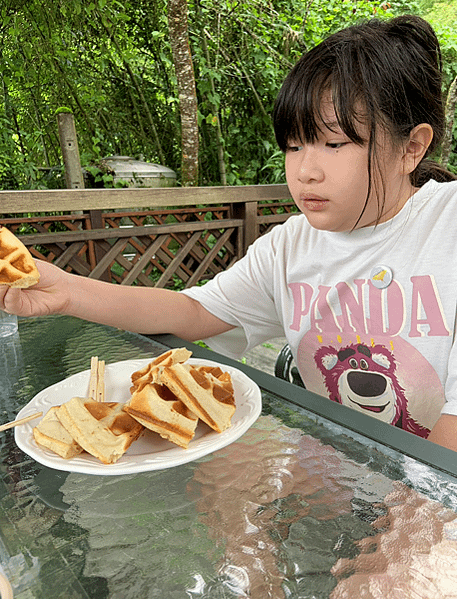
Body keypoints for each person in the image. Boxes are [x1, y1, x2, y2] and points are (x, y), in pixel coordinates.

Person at [2, 15, 457, 450]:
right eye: (294, 145)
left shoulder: (447, 226)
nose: (305, 171)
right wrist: (64, 291)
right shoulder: (289, 246)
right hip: (340, 470)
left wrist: (407, 521)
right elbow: (194, 311)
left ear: (410, 148)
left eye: (334, 143)